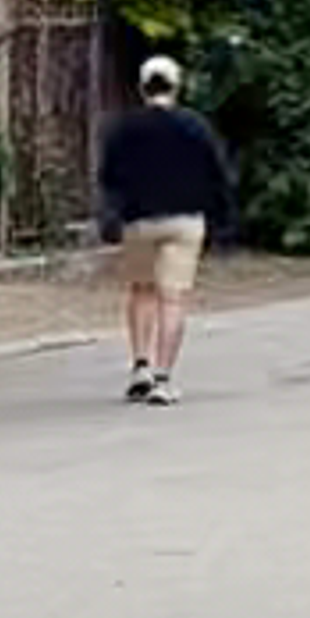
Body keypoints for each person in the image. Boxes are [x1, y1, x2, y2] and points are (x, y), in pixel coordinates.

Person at [93, 49, 237, 405]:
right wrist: (222, 221)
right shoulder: (195, 126)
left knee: (142, 291)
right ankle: (163, 377)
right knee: (173, 298)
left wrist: (114, 213)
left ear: (142, 88)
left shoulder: (123, 128)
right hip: (185, 221)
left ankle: (139, 365)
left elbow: (109, 176)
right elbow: (218, 175)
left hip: (139, 220)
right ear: (176, 87)